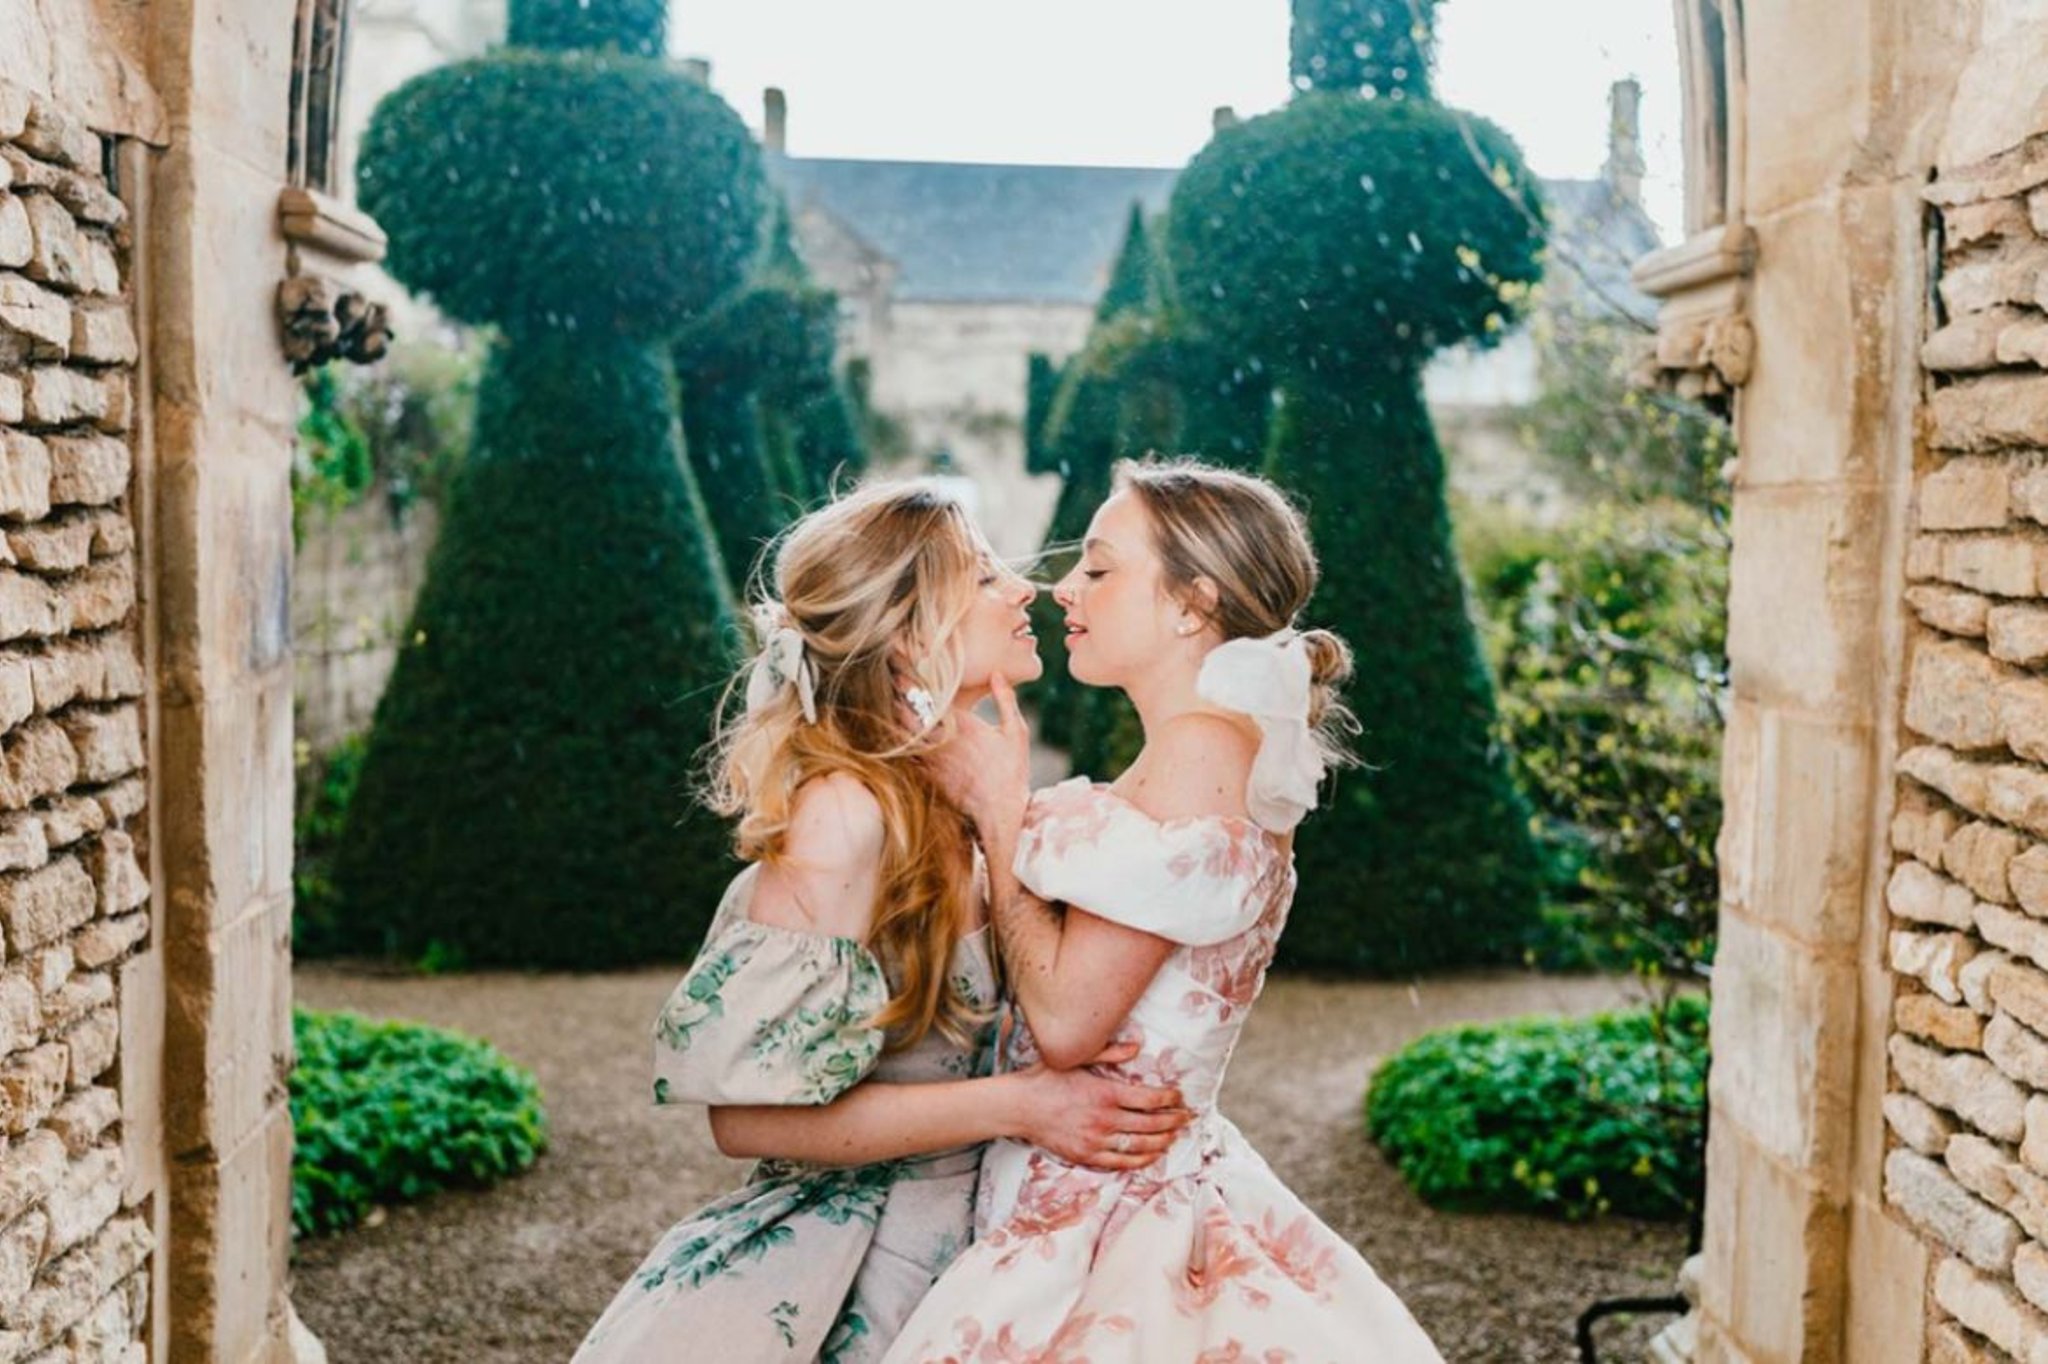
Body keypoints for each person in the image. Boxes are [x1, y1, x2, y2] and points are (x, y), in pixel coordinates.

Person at [573, 481, 1191, 1364]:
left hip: (989, 1251)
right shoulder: (846, 815)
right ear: (906, 637)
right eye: (982, 577)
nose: (1024, 590)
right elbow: (748, 1121)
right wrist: (1022, 1106)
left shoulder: (970, 802)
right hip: (855, 1278)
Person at [883, 460, 1445, 1362]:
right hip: (1101, 1182)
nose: (1066, 588)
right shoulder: (1202, 749)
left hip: (1113, 1216)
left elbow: (1067, 1025)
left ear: (1193, 604)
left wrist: (999, 815)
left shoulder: (1198, 756)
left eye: (1100, 570)